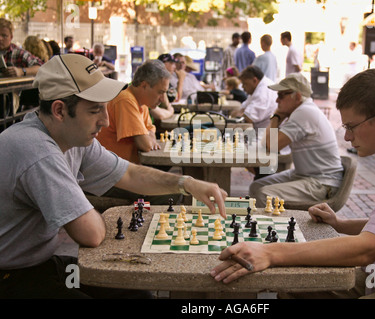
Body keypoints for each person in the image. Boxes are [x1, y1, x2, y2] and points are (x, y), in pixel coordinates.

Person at [0, 54, 227, 299]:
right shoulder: (37, 150)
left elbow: (128, 173)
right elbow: (91, 234)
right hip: (13, 278)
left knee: (138, 295)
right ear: (59, 110)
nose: (106, 120)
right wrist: (85, 211)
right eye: (96, 110)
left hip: (43, 265)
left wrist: (186, 183)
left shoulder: (73, 136)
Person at [211, 69, 375, 300]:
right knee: (289, 284)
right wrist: (341, 224)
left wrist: (270, 252)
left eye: (351, 126)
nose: (346, 137)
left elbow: (368, 248)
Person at [248, 72, 343, 207]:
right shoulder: (301, 111)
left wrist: (275, 117)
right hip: (306, 175)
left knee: (264, 194)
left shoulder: (303, 112)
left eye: (281, 96)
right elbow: (266, 144)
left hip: (322, 182)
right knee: (256, 187)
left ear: (297, 96)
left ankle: (270, 227)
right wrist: (277, 117)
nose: (276, 101)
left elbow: (272, 147)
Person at [97, 59, 166, 165]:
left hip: (127, 166)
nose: (162, 99)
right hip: (112, 171)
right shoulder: (126, 100)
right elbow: (145, 145)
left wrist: (150, 135)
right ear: (144, 86)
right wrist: (149, 138)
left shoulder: (142, 102)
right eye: (160, 92)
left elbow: (150, 129)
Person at [230, 65, 277, 133]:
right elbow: (242, 108)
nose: (242, 87)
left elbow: (249, 118)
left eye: (244, 84)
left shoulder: (263, 92)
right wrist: (242, 112)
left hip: (266, 136)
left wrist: (242, 113)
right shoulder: (258, 88)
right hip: (261, 132)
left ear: (254, 80)